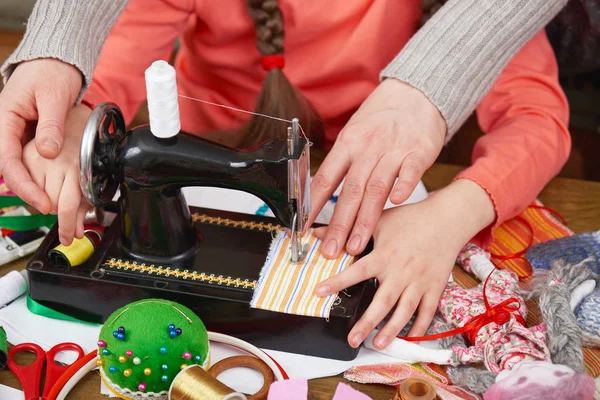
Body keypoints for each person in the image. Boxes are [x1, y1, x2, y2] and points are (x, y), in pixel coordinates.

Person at [6, 0, 570, 350]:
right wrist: (71, 127)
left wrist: (455, 211)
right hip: (212, 147)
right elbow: (113, 64)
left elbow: (536, 118)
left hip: (378, 185)